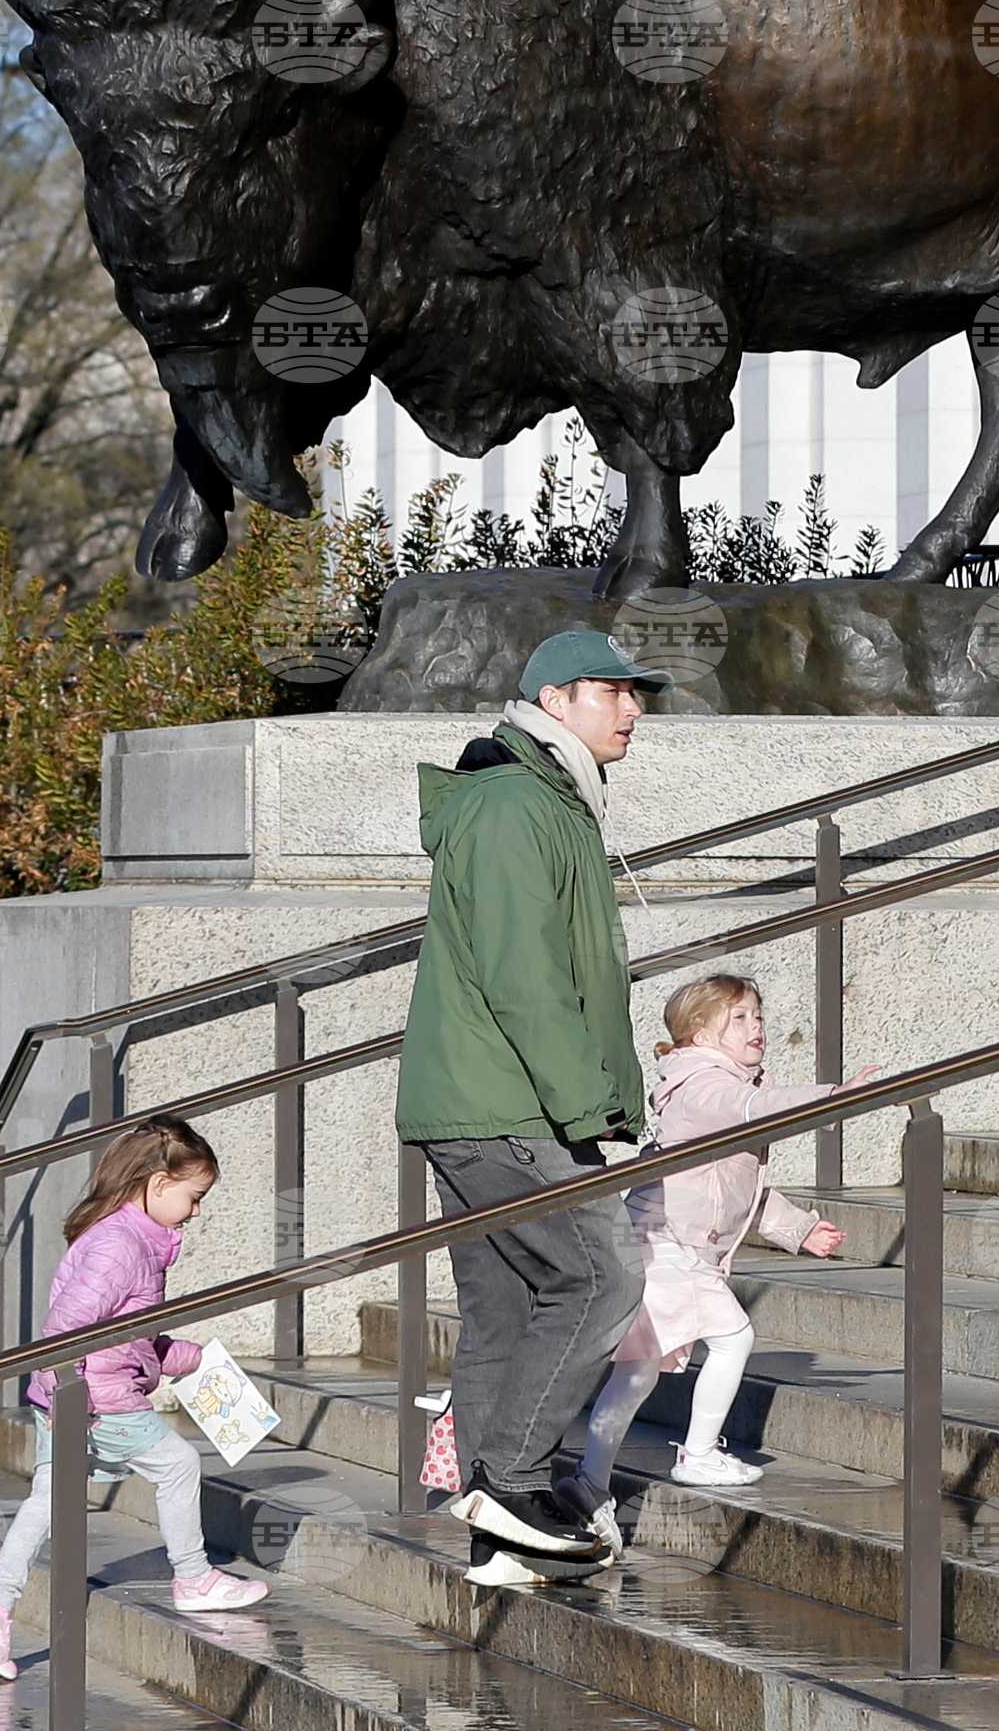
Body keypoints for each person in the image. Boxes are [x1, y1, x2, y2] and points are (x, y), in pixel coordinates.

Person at [395, 626, 675, 1586]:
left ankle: (497, 1540)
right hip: (506, 1106)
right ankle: (511, 1485)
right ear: (554, 701)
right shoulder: (517, 806)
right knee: (601, 1276)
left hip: (485, 1101)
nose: (634, 710)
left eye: (638, 695)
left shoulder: (546, 801)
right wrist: (593, 1104)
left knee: (509, 1314)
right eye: (615, 691)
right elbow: (526, 980)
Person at [0, 1114, 268, 1682]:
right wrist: (69, 1398)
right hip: (98, 1398)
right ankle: (194, 1577)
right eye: (194, 1197)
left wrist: (186, 1358)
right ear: (158, 1185)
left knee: (50, 1499)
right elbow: (67, 1329)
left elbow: (128, 1335)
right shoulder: (121, 1246)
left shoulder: (131, 1240)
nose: (196, 1211)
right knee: (178, 1464)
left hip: (80, 1392)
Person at [568, 973, 876, 1549]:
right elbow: (752, 1106)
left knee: (636, 1373)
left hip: (672, 1244)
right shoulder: (703, 1086)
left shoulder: (719, 1083)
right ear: (699, 1032)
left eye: (758, 1015)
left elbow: (740, 1190)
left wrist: (800, 1229)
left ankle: (592, 1483)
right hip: (669, 1246)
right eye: (740, 1018)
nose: (756, 1026)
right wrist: (834, 1096)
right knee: (732, 1337)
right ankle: (699, 1455)